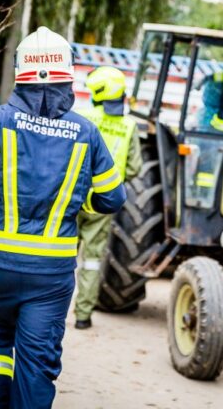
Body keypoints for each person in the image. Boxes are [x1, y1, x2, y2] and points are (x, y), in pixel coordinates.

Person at [0, 26, 126, 408]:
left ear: (21, 74)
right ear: (68, 75)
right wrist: (80, 205)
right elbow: (113, 198)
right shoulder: (87, 132)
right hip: (51, 275)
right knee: (35, 366)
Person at [74, 66, 142, 330]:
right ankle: (83, 316)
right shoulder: (129, 126)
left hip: (75, 195)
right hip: (103, 203)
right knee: (92, 259)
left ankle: (49, 309)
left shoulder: (83, 117)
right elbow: (135, 168)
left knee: (62, 253)